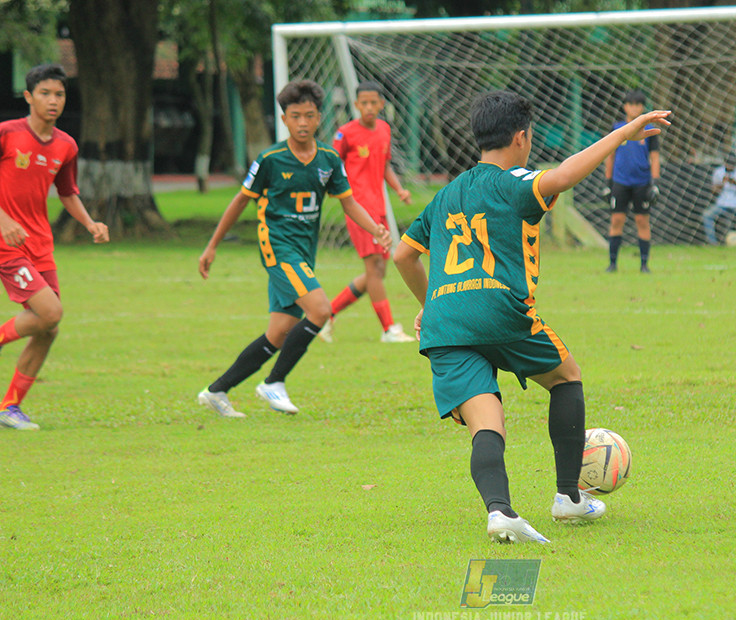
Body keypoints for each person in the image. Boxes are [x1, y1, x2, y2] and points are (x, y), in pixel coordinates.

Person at [394, 90, 671, 543]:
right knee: (566, 376)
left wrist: (431, 302)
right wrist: (623, 134)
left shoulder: (445, 195)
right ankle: (569, 497)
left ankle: (500, 512)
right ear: (521, 137)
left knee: (486, 422)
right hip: (500, 311)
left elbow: (403, 256)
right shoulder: (514, 181)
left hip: (445, 325)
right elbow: (564, 175)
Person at [197, 80, 390, 418]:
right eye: (295, 116)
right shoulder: (271, 159)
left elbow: (348, 203)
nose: (302, 123)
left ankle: (216, 391)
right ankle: (274, 382)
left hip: (303, 251)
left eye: (309, 116)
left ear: (319, 119)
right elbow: (240, 201)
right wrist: (212, 246)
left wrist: (375, 228)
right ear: (284, 119)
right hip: (278, 248)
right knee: (320, 310)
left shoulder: (329, 159)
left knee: (279, 332)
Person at [0, 64, 109, 430]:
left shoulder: (66, 145)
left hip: (40, 245)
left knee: (48, 328)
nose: (53, 101)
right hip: (6, 242)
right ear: (28, 97)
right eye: (44, 93)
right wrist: (4, 221)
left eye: (59, 94)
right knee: (49, 313)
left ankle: (9, 407)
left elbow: (67, 193)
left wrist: (90, 223)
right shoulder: (7, 134)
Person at [318, 81, 415, 344]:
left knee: (378, 272)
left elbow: (384, 165)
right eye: (364, 103)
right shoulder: (345, 134)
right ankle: (388, 329)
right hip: (358, 210)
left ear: (382, 104)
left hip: (379, 209)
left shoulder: (384, 129)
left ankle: (327, 315)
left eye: (374, 102)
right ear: (356, 105)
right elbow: (331, 165)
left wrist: (399, 189)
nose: (369, 107)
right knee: (374, 268)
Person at [604, 89, 660, 273]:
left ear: (642, 107)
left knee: (642, 221)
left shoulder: (650, 131)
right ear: (625, 107)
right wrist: (608, 182)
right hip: (620, 182)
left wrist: (655, 183)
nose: (634, 108)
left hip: (642, 183)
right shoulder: (617, 128)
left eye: (638, 104)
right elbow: (610, 155)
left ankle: (644, 265)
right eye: (631, 104)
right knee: (616, 220)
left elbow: (655, 157)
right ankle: (612, 264)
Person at [702, 152, 736, 245]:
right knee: (707, 215)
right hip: (722, 203)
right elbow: (713, 190)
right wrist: (722, 183)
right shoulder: (718, 171)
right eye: (728, 163)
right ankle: (712, 243)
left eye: (732, 164)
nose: (730, 166)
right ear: (725, 163)